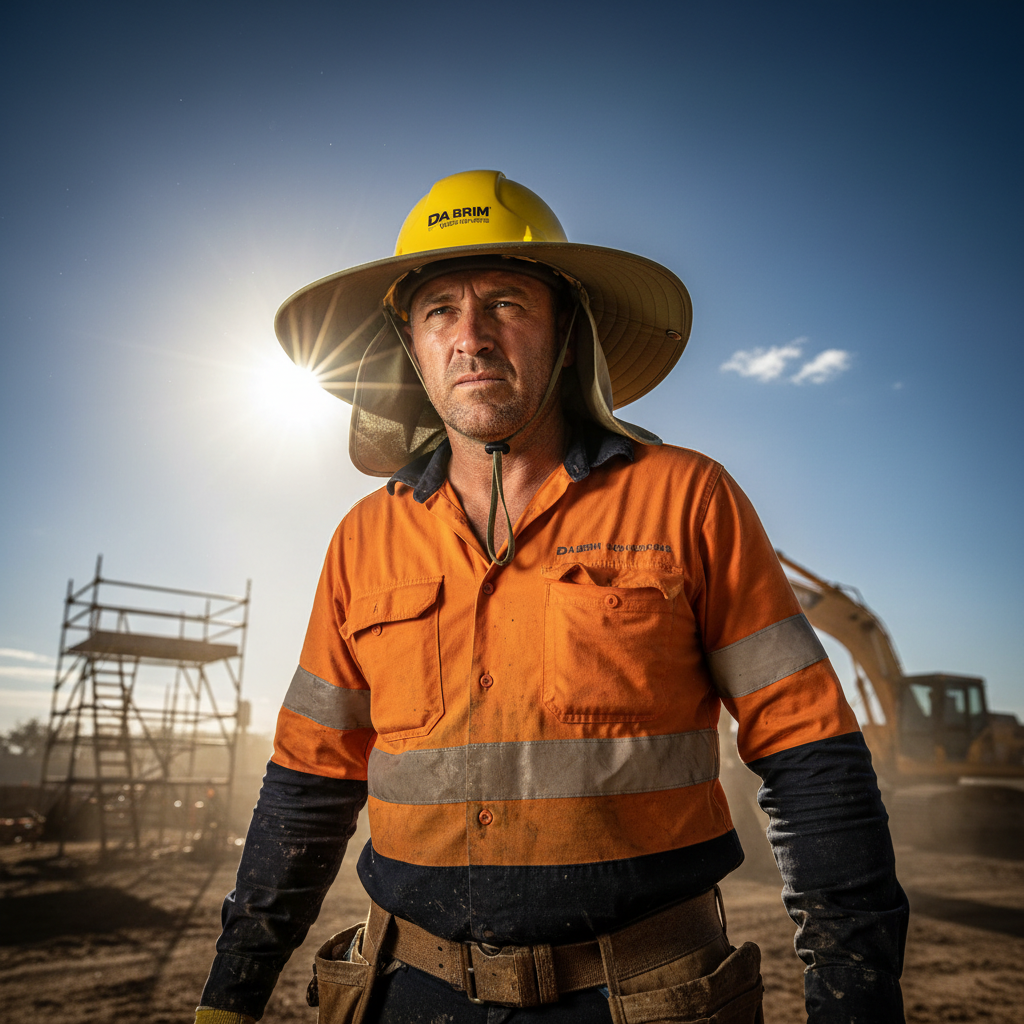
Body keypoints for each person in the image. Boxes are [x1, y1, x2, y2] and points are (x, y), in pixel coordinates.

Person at [196, 170, 908, 1024]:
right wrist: (231, 994)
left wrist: (856, 1001)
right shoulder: (362, 540)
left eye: (506, 304)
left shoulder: (689, 500)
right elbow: (308, 782)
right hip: (405, 994)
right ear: (409, 348)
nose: (472, 338)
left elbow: (812, 761)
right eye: (439, 312)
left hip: (649, 998)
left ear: (567, 331)